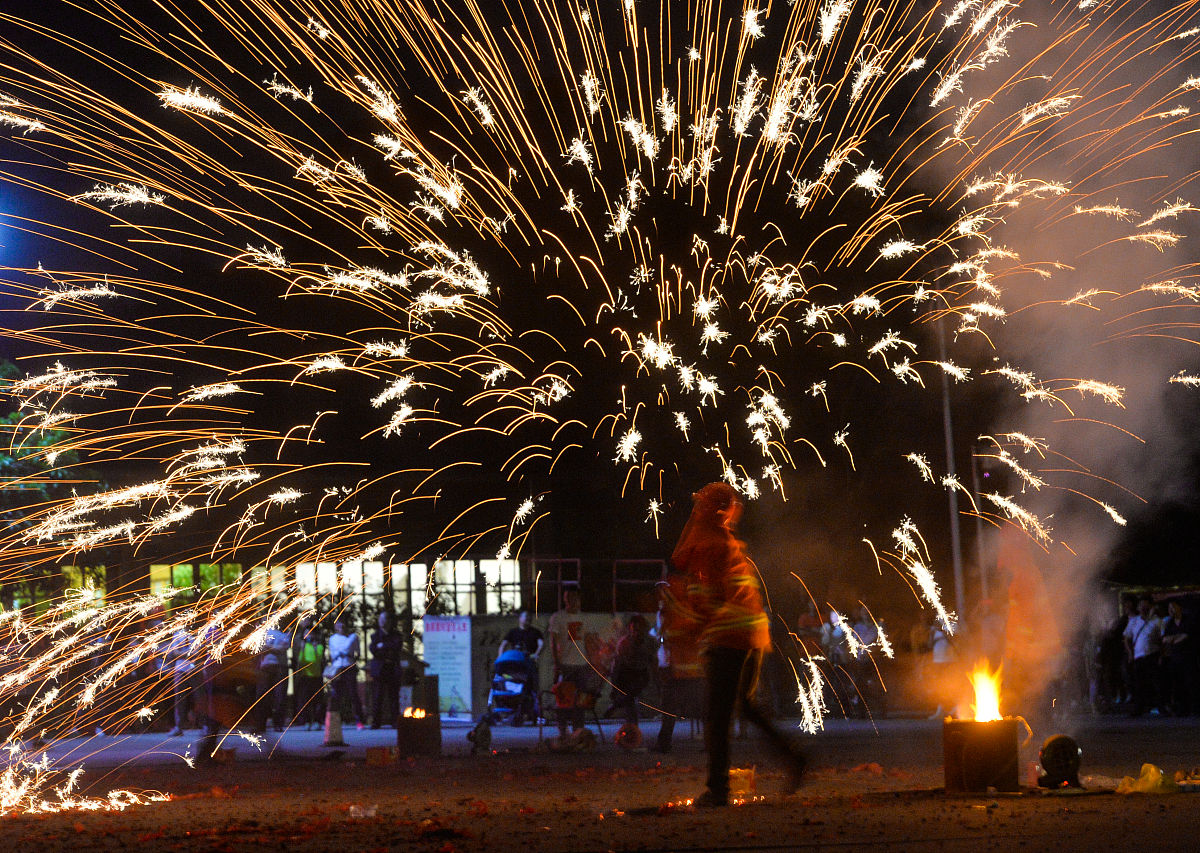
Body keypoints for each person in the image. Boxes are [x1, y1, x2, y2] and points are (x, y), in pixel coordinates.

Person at [669, 481, 806, 807]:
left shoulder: (712, 545)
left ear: (706, 510)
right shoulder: (722, 540)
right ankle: (795, 760)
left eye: (699, 505)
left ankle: (718, 790)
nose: (694, 510)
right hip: (751, 635)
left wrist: (689, 628)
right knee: (744, 707)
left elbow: (712, 599)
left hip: (729, 637)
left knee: (716, 716)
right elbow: (684, 562)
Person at [548, 588, 596, 743]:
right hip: (566, 664)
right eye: (568, 598)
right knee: (563, 701)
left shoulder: (584, 618)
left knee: (580, 701)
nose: (571, 601)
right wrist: (557, 663)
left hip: (581, 664)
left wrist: (591, 661)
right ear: (564, 599)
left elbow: (587, 640)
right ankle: (563, 732)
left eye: (574, 598)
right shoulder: (558, 618)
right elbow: (554, 642)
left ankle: (578, 731)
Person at [606, 613, 656, 738]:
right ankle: (632, 732)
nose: (636, 632)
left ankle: (619, 705)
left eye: (639, 629)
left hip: (641, 674)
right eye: (634, 629)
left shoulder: (650, 642)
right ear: (630, 629)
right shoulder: (625, 643)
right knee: (629, 701)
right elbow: (617, 666)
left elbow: (652, 661)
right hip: (626, 674)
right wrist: (615, 686)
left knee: (629, 698)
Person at [1123, 596, 1163, 717]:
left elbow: (1162, 639)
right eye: (1141, 605)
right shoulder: (1134, 621)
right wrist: (1130, 653)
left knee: (1156, 682)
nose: (1143, 608)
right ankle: (1138, 708)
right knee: (1139, 684)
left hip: (1152, 655)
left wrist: (1161, 655)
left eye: (1145, 605)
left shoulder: (1157, 620)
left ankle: (1160, 706)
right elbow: (1127, 638)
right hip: (1139, 657)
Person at [326, 618, 365, 728]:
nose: (341, 627)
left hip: (349, 666)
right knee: (336, 694)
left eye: (343, 624)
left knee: (353, 694)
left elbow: (358, 652)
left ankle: (359, 720)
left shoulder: (353, 637)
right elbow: (332, 654)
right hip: (337, 667)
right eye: (339, 624)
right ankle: (335, 720)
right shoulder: (332, 639)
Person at [254, 619, 291, 733]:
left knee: (279, 696)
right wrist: (275, 648)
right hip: (265, 667)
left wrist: (269, 647)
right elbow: (261, 648)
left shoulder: (285, 634)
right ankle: (260, 725)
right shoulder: (264, 633)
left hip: (280, 667)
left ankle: (278, 724)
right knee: (262, 696)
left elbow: (282, 648)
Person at [1160, 600, 1197, 715]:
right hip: (1175, 658)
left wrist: (1174, 638)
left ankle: (1195, 708)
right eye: (1169, 608)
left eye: (1173, 607)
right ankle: (1182, 708)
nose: (1171, 610)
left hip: (1188, 657)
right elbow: (1165, 639)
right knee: (1178, 684)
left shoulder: (1189, 621)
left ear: (1179, 607)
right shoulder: (1170, 623)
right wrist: (1176, 637)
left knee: (1191, 682)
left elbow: (1186, 636)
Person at [368, 611, 403, 728]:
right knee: (378, 696)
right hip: (380, 669)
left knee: (394, 696)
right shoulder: (375, 636)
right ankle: (376, 722)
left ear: (389, 621)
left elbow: (396, 647)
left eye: (385, 619)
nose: (382, 622)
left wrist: (382, 646)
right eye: (380, 619)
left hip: (392, 668)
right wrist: (385, 648)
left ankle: (395, 721)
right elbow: (373, 650)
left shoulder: (396, 635)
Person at [291, 616, 325, 730]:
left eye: (311, 633)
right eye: (307, 633)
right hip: (305, 676)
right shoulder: (301, 644)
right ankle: (305, 721)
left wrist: (315, 648)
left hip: (316, 676)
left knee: (317, 700)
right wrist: (302, 649)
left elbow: (319, 659)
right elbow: (300, 660)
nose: (309, 635)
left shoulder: (319, 646)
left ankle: (316, 720)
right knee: (304, 700)